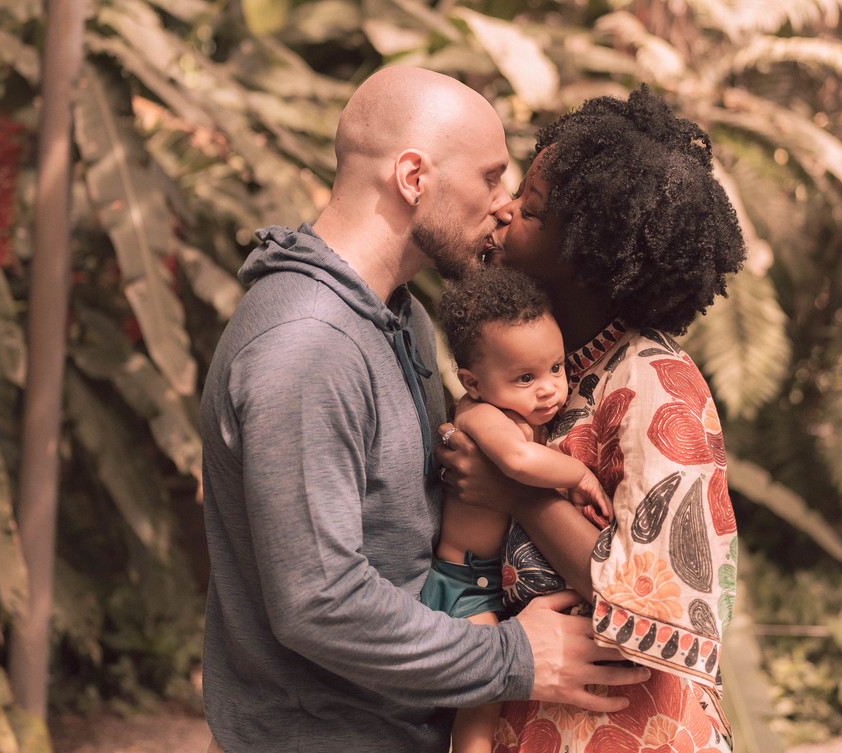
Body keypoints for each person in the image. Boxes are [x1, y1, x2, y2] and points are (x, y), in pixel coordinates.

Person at [199, 66, 648, 753]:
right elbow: (319, 601)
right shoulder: (305, 346)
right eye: (491, 177)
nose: (505, 205)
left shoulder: (400, 315)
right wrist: (513, 656)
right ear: (413, 177)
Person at [436, 84, 747, 752]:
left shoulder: (660, 384)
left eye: (532, 209)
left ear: (584, 255)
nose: (505, 212)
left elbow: (662, 611)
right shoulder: (545, 372)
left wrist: (516, 491)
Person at [425, 266, 613, 753]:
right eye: (525, 377)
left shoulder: (515, 410)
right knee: (483, 702)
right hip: (464, 583)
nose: (550, 388)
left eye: (556, 368)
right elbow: (518, 460)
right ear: (473, 382)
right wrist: (578, 475)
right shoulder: (480, 414)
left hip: (484, 578)